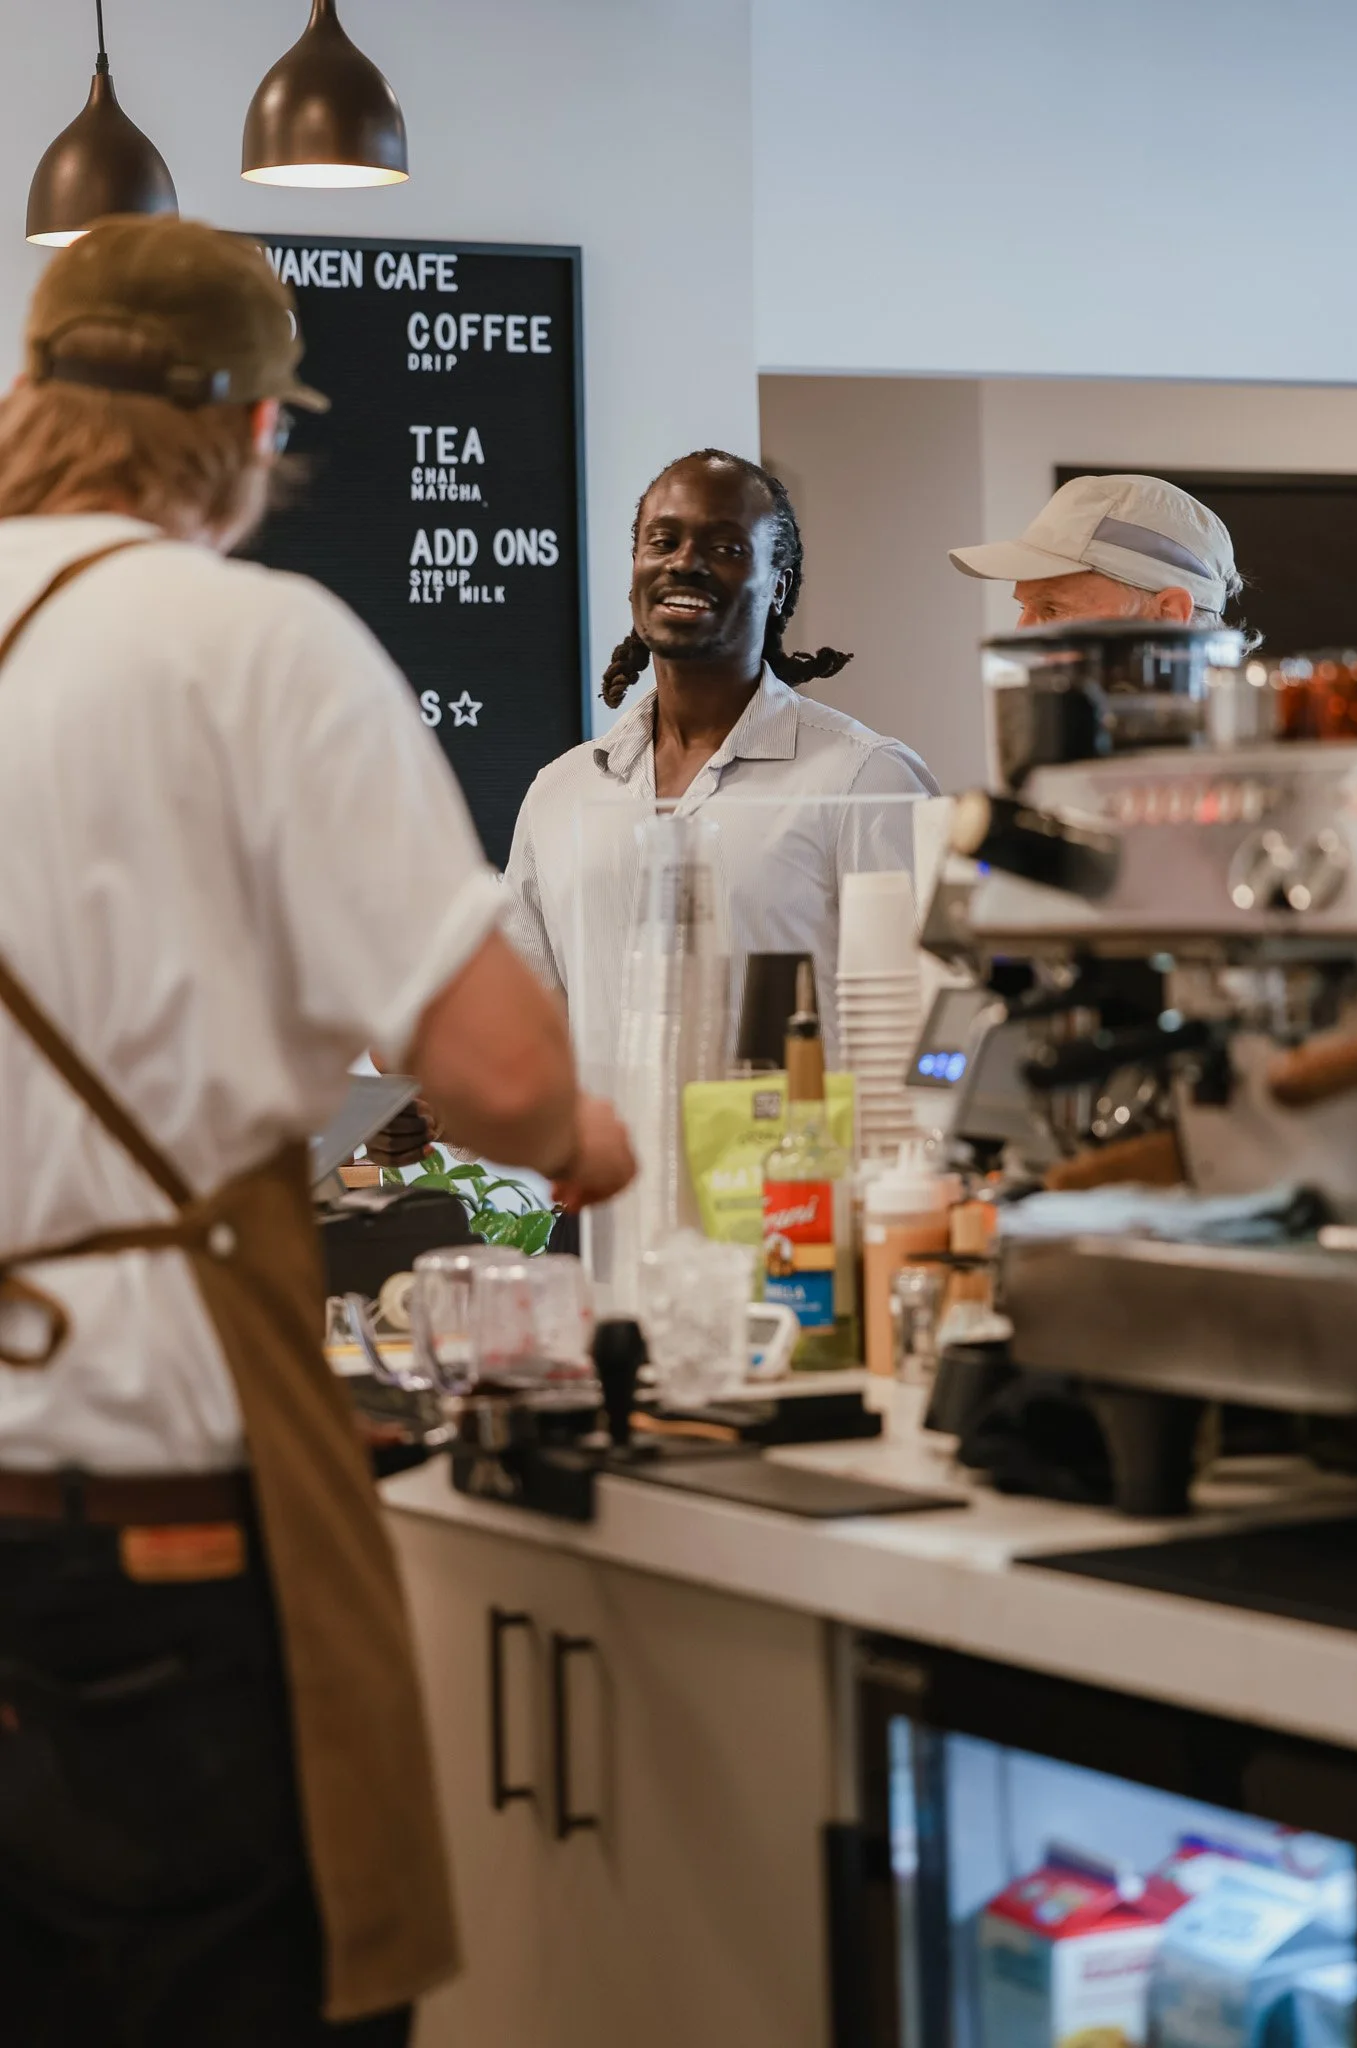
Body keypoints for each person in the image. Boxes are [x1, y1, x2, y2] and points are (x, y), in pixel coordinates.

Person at [0, 216, 634, 2047]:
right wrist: (590, 1136)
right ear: (259, 430)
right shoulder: (255, 645)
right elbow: (498, 1074)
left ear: (33, 388)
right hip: (152, 1538)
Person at [503, 448, 939, 1071]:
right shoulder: (562, 793)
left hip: (795, 1168)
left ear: (778, 584)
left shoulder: (865, 780)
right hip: (615, 1173)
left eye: (727, 548)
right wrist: (432, 1103)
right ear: (635, 571)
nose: (685, 562)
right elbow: (528, 1044)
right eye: (663, 541)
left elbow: (926, 1029)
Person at [949, 472, 1246, 631]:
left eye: (1053, 610)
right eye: (1023, 608)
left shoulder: (1249, 744)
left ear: (1167, 616)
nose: (1021, 632)